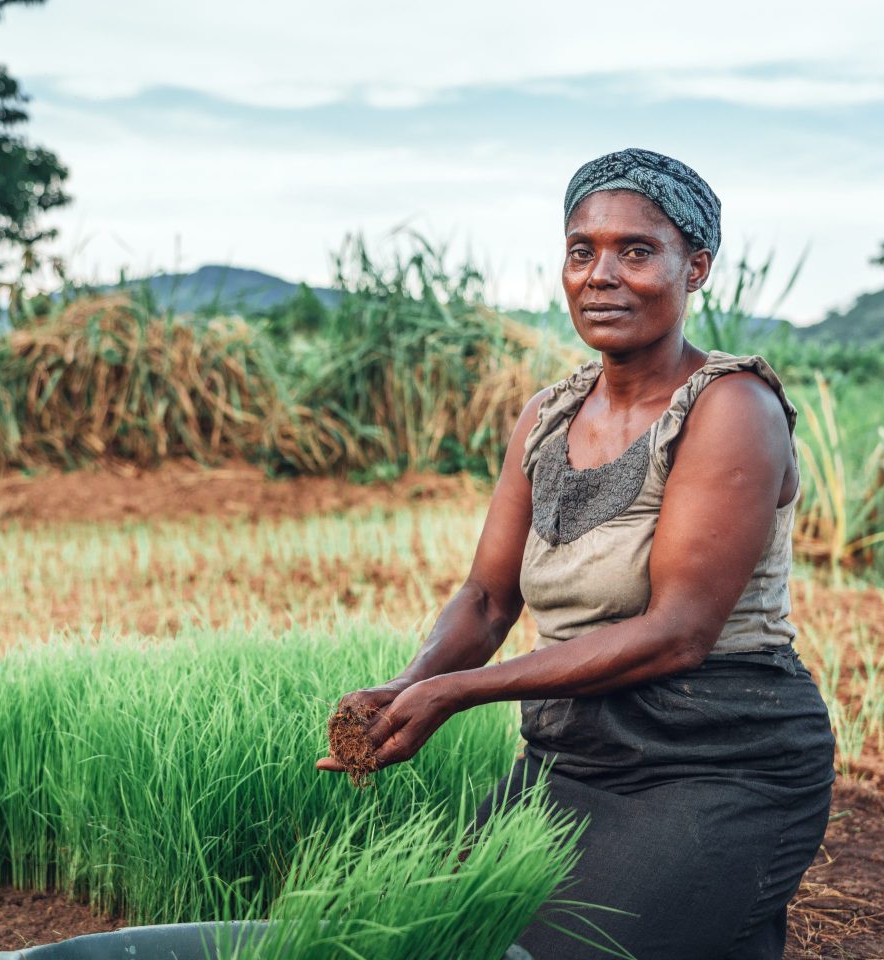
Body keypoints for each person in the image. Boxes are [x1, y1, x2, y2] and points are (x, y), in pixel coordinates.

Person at [316, 148, 835, 960]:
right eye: (582, 250)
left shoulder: (731, 407)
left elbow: (680, 632)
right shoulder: (547, 416)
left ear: (695, 268)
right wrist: (407, 686)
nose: (602, 274)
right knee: (451, 939)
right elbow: (489, 600)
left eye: (637, 251)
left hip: (719, 753)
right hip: (573, 752)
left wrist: (456, 693)